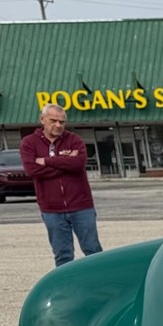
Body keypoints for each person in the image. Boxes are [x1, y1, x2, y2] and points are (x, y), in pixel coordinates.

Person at [20, 104, 102, 268]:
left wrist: (48, 161)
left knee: (93, 250)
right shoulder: (29, 143)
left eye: (62, 122)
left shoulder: (74, 140)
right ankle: (67, 290)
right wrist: (65, 163)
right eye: (53, 121)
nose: (58, 125)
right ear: (42, 120)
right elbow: (31, 169)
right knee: (63, 255)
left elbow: (78, 164)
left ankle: (100, 286)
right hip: (52, 210)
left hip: (81, 206)